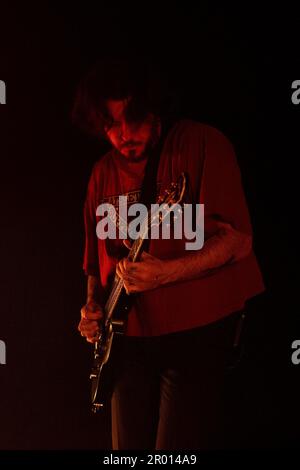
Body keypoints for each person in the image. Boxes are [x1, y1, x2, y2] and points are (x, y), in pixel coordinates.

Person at [73, 59, 265, 450]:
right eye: (110, 125)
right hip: (124, 343)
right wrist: (92, 308)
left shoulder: (201, 144)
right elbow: (96, 264)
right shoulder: (101, 173)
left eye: (131, 118)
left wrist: (167, 273)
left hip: (194, 335)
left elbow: (238, 242)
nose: (123, 135)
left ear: (153, 108)